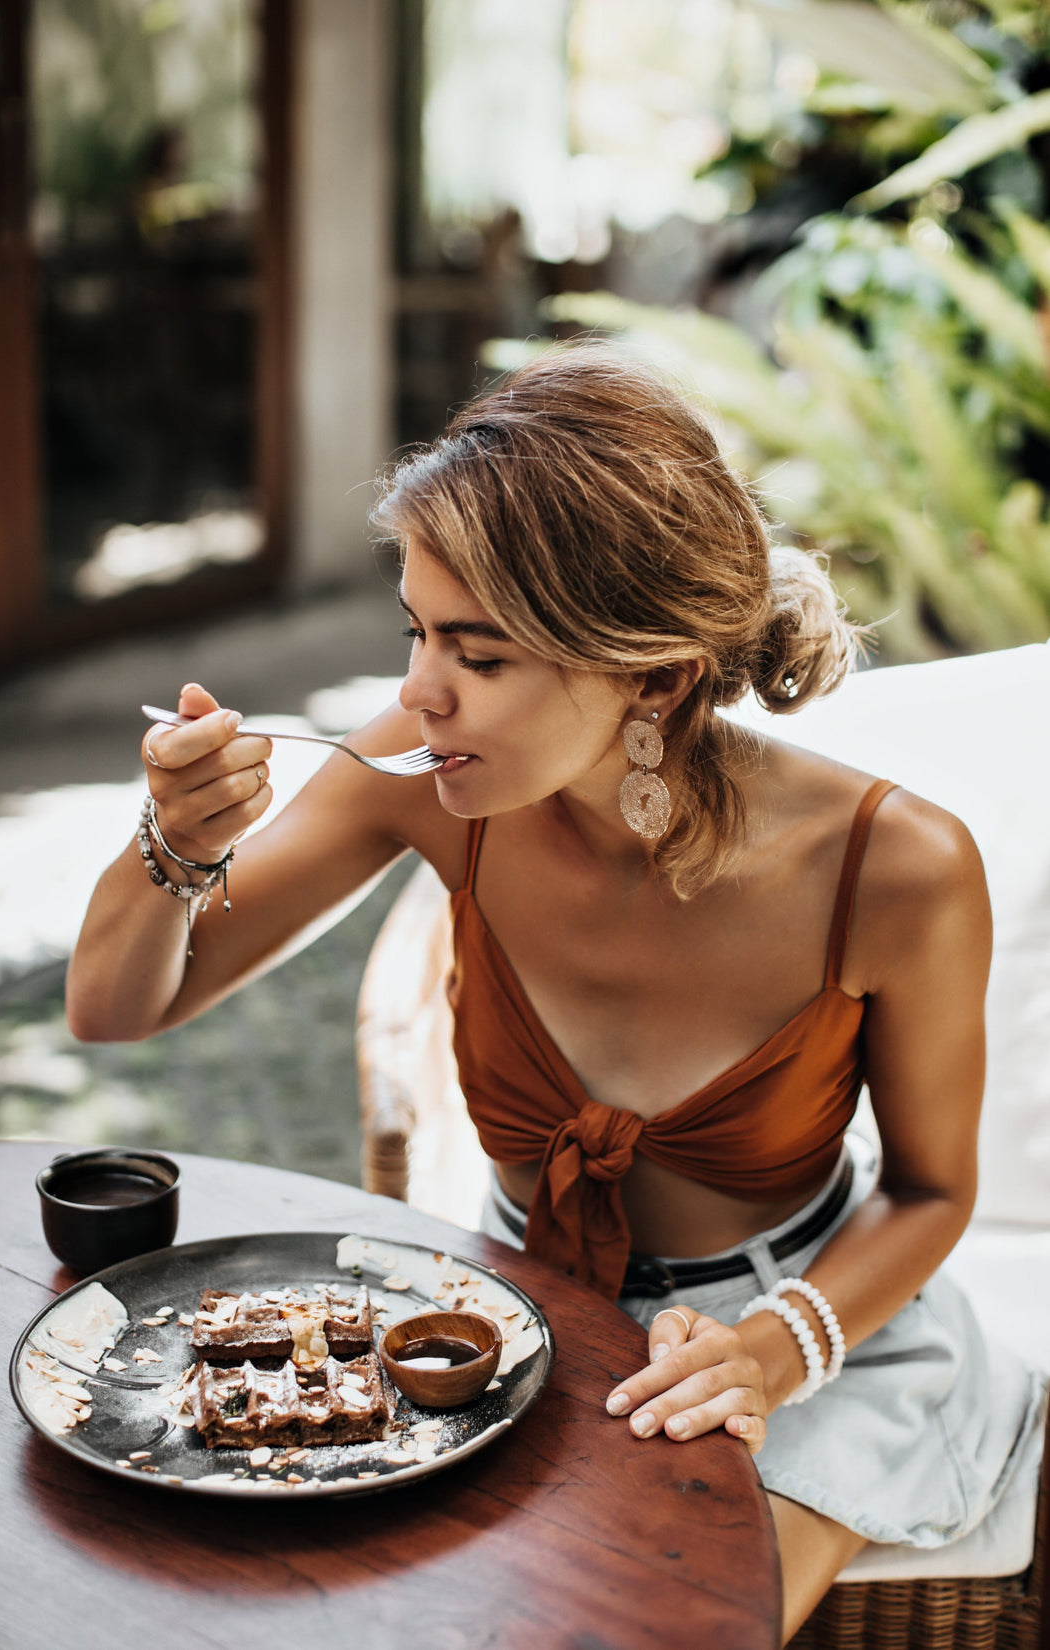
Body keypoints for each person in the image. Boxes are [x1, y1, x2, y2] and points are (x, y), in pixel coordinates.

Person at [67, 346, 1043, 1644]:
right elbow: (118, 1008)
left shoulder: (896, 868)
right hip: (512, 1319)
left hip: (804, 1344)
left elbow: (931, 1192)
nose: (417, 692)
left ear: (656, 674)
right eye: (416, 631)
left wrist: (770, 1352)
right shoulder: (424, 777)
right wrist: (178, 843)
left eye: (477, 654)